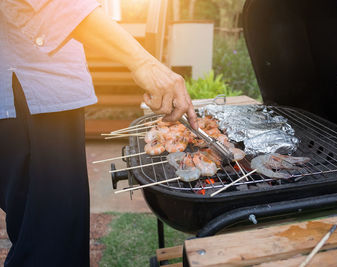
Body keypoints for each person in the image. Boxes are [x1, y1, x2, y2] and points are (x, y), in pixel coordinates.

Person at [0, 1, 198, 266]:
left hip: (42, 94)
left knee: (50, 232)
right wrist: (144, 63)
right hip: (30, 94)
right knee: (49, 245)